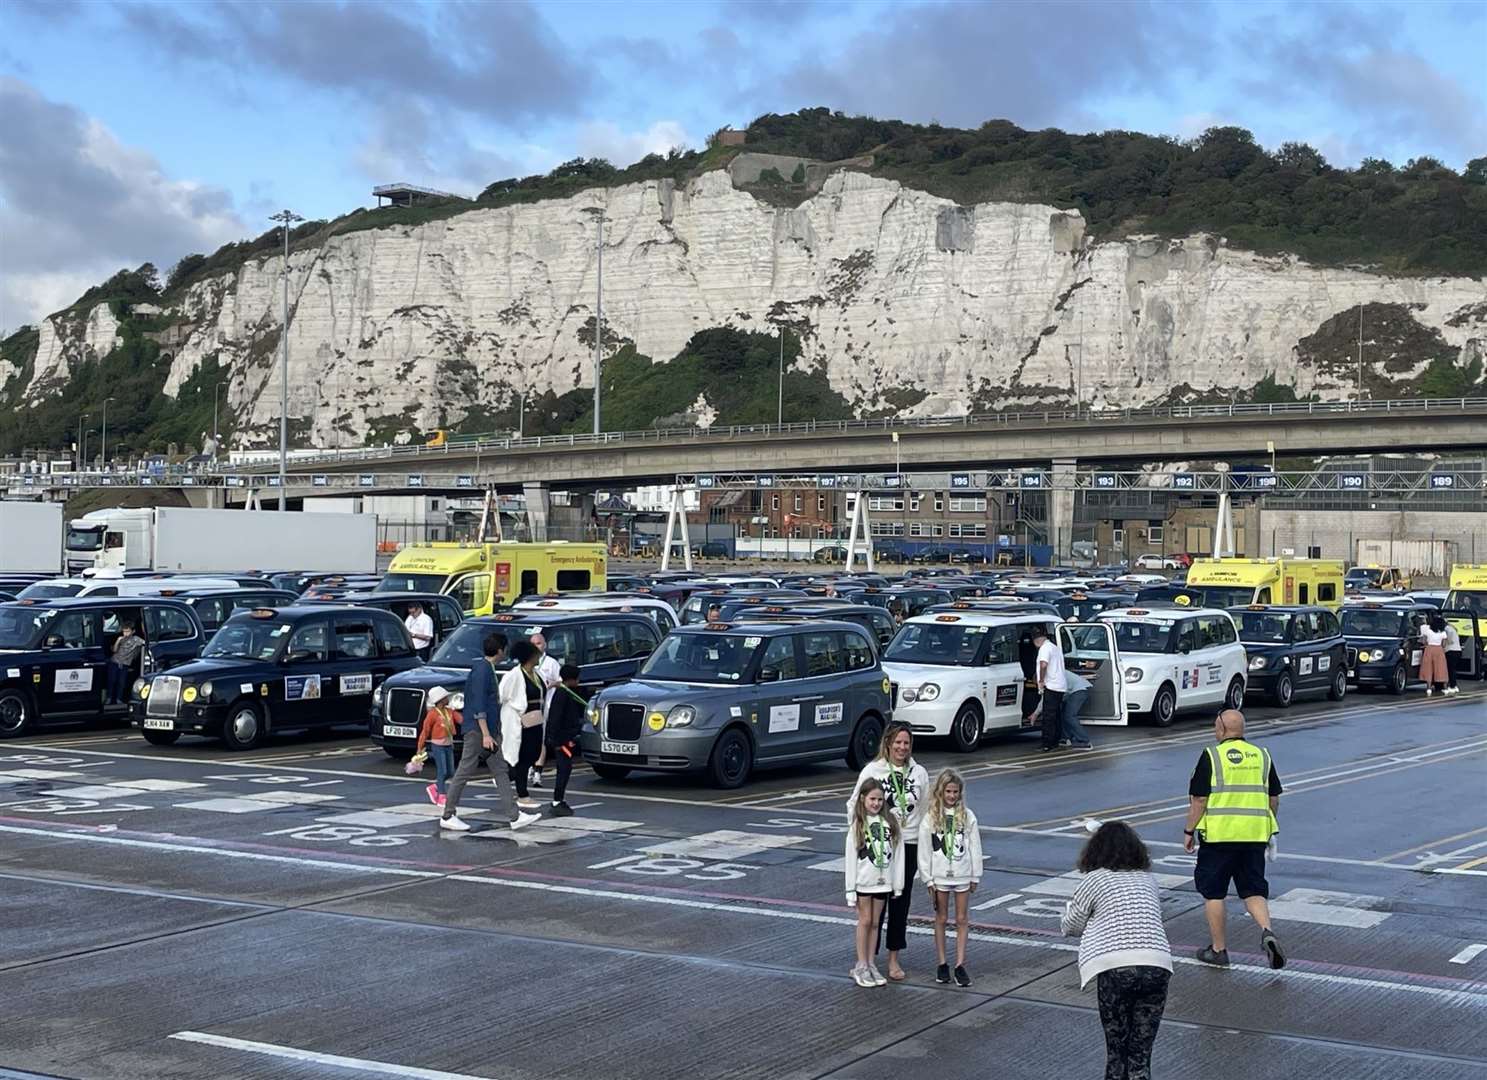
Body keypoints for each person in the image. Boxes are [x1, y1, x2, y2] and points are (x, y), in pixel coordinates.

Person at [1061, 821, 1173, 1080]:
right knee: (1140, 1056)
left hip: (1116, 967)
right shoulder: (1148, 880)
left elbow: (1072, 926)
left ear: (1096, 850)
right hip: (1157, 965)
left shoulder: (1094, 879)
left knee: (1117, 1051)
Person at [1183, 709, 1286, 969]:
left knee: (1214, 892)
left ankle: (1219, 950)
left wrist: (1188, 831)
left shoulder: (1211, 755)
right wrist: (1268, 828)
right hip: (1253, 836)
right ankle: (1266, 931)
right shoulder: (1262, 755)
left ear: (1220, 728)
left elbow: (1199, 799)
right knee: (1253, 889)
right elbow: (1273, 798)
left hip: (1219, 836)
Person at [847, 722, 929, 981]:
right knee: (873, 910)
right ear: (888, 743)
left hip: (910, 843)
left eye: (906, 743)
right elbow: (854, 803)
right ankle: (868, 960)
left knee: (900, 903)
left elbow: (926, 812)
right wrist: (861, 834)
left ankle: (894, 958)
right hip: (879, 845)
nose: (902, 747)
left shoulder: (919, 773)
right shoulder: (873, 770)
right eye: (898, 742)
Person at [440, 634, 539, 833]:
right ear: (500, 650)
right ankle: (448, 815)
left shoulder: (485, 668)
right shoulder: (482, 670)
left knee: (500, 770)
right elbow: (478, 705)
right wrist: (486, 734)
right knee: (465, 770)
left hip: (488, 731)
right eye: (505, 649)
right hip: (479, 731)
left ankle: (514, 816)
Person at [918, 768, 982, 987]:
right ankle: (942, 962)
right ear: (941, 792)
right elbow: (924, 850)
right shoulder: (931, 817)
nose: (952, 796)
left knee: (962, 919)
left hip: (963, 873)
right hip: (940, 875)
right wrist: (928, 879)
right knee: (942, 918)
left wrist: (975, 874)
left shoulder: (968, 816)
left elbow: (975, 846)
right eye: (948, 792)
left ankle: (960, 964)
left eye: (955, 792)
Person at [845, 778, 904, 988]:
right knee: (865, 920)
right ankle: (861, 964)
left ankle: (871, 963)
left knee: (877, 922)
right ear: (863, 799)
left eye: (880, 799)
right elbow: (851, 858)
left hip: (884, 882)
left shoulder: (890, 824)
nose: (876, 803)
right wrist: (850, 891)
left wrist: (898, 885)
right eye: (872, 799)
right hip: (863, 883)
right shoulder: (858, 825)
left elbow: (898, 856)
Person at [502, 640, 547, 811]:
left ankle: (506, 778)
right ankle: (522, 793)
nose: (539, 658)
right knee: (521, 757)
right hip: (520, 722)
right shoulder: (513, 676)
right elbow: (503, 696)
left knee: (534, 753)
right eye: (536, 655)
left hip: (536, 720)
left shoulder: (537, 674)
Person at [543, 663, 586, 816]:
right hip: (562, 740)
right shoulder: (562, 694)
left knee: (565, 769)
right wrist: (555, 741)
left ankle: (558, 799)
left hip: (565, 738)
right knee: (564, 769)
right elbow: (555, 718)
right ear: (573, 679)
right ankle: (557, 800)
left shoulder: (565, 692)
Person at [526, 632, 563, 790]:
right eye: (533, 643)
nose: (536, 646)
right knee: (528, 738)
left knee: (541, 738)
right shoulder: (526, 662)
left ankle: (538, 773)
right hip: (529, 707)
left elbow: (561, 682)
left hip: (545, 706)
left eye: (539, 643)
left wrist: (551, 684)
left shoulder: (551, 663)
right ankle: (528, 766)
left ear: (545, 645)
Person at [415, 685, 461, 806]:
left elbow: (461, 720)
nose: (448, 699)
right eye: (446, 697)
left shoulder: (450, 711)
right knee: (442, 770)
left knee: (450, 771)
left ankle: (435, 786)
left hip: (448, 744)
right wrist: (420, 747)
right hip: (438, 746)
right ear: (440, 700)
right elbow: (425, 731)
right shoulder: (432, 714)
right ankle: (441, 795)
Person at [1033, 626, 1067, 752]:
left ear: (1036, 640)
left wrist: (1041, 680)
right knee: (1056, 715)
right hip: (1060, 685)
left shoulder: (1044, 648)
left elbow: (1043, 664)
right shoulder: (1054, 647)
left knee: (1048, 716)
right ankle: (1056, 740)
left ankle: (1047, 743)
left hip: (1051, 685)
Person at [106, 622, 144, 704]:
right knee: (112, 681)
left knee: (121, 682)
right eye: (124, 631)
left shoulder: (136, 639)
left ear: (133, 631)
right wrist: (118, 641)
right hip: (115, 662)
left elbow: (145, 643)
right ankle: (109, 698)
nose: (126, 634)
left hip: (125, 664)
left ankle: (118, 699)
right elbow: (114, 650)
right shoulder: (120, 639)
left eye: (128, 631)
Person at [1060, 668, 1096, 750]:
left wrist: (1036, 713)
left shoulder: (1055, 675)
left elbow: (1061, 691)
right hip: (1078, 689)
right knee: (1063, 714)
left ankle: (1084, 741)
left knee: (1069, 716)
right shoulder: (1056, 670)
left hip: (1079, 690)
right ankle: (1066, 738)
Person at [1418, 615, 1449, 696]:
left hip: (1429, 649)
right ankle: (1445, 688)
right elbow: (1444, 644)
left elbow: (1424, 642)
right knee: (1441, 668)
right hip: (1439, 650)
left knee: (1428, 668)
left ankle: (1428, 688)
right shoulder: (1443, 633)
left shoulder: (1428, 632)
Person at [1443, 619, 1462, 695]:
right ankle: (1454, 686)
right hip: (1458, 650)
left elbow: (1449, 641)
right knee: (1453, 669)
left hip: (1451, 650)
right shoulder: (1453, 628)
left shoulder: (1446, 629)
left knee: (1450, 670)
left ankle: (1452, 686)